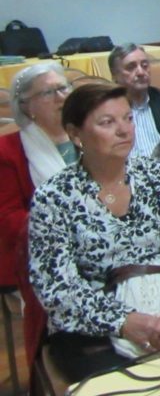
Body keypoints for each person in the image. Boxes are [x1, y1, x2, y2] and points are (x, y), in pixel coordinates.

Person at [28, 83, 160, 383]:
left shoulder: (158, 174)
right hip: (96, 316)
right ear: (75, 133)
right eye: (107, 123)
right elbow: (57, 286)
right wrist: (123, 321)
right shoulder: (54, 197)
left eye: (128, 118)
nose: (125, 131)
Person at [0, 63, 76, 366]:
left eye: (63, 87)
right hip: (37, 252)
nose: (61, 96)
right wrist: (66, 227)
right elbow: (8, 218)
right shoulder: (7, 151)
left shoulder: (90, 135)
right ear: (27, 107)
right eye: (49, 92)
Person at [108, 43, 160, 158]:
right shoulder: (107, 111)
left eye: (145, 65)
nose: (140, 72)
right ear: (114, 75)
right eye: (131, 67)